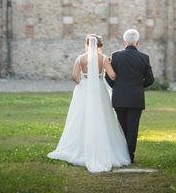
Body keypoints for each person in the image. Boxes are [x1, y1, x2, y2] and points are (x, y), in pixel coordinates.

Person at [47, 34, 131, 172]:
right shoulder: (103, 58)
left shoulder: (80, 58)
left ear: (87, 44)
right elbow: (113, 75)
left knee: (80, 117)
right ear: (100, 45)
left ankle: (80, 147)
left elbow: (74, 76)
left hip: (84, 91)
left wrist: (82, 84)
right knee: (102, 117)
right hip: (99, 89)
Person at [105, 28, 154, 163]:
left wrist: (118, 88)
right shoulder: (144, 58)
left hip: (119, 97)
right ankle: (130, 156)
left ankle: (120, 155)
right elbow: (150, 80)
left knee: (120, 127)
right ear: (137, 42)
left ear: (124, 41)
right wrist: (138, 87)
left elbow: (108, 77)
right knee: (133, 128)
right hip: (136, 98)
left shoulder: (115, 56)